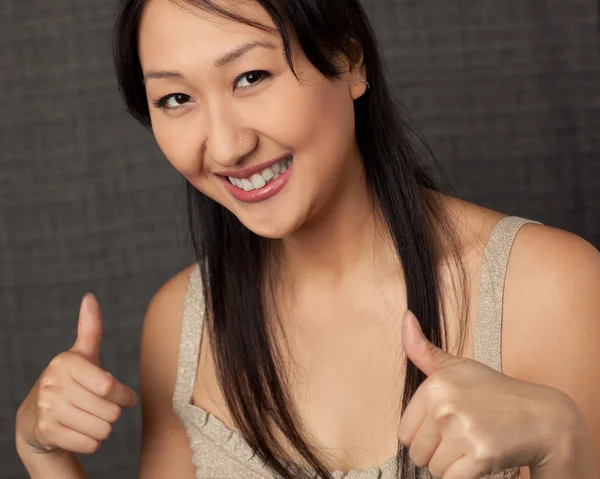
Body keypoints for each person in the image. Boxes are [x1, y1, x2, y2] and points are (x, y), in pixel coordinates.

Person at [14, 0, 600, 478]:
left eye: (251, 77)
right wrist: (45, 457)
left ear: (350, 61)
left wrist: (562, 445)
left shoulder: (550, 288)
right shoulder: (181, 324)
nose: (224, 147)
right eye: (176, 98)